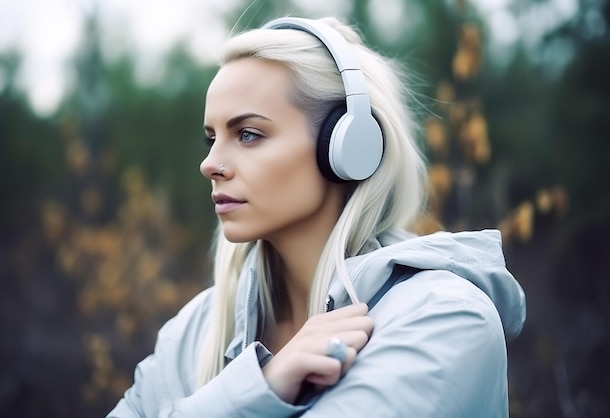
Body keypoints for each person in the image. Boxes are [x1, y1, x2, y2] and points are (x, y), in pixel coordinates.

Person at [108, 16, 526, 417]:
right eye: (211, 138)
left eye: (248, 134)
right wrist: (261, 386)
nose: (210, 163)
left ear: (348, 148)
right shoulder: (195, 330)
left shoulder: (444, 318)